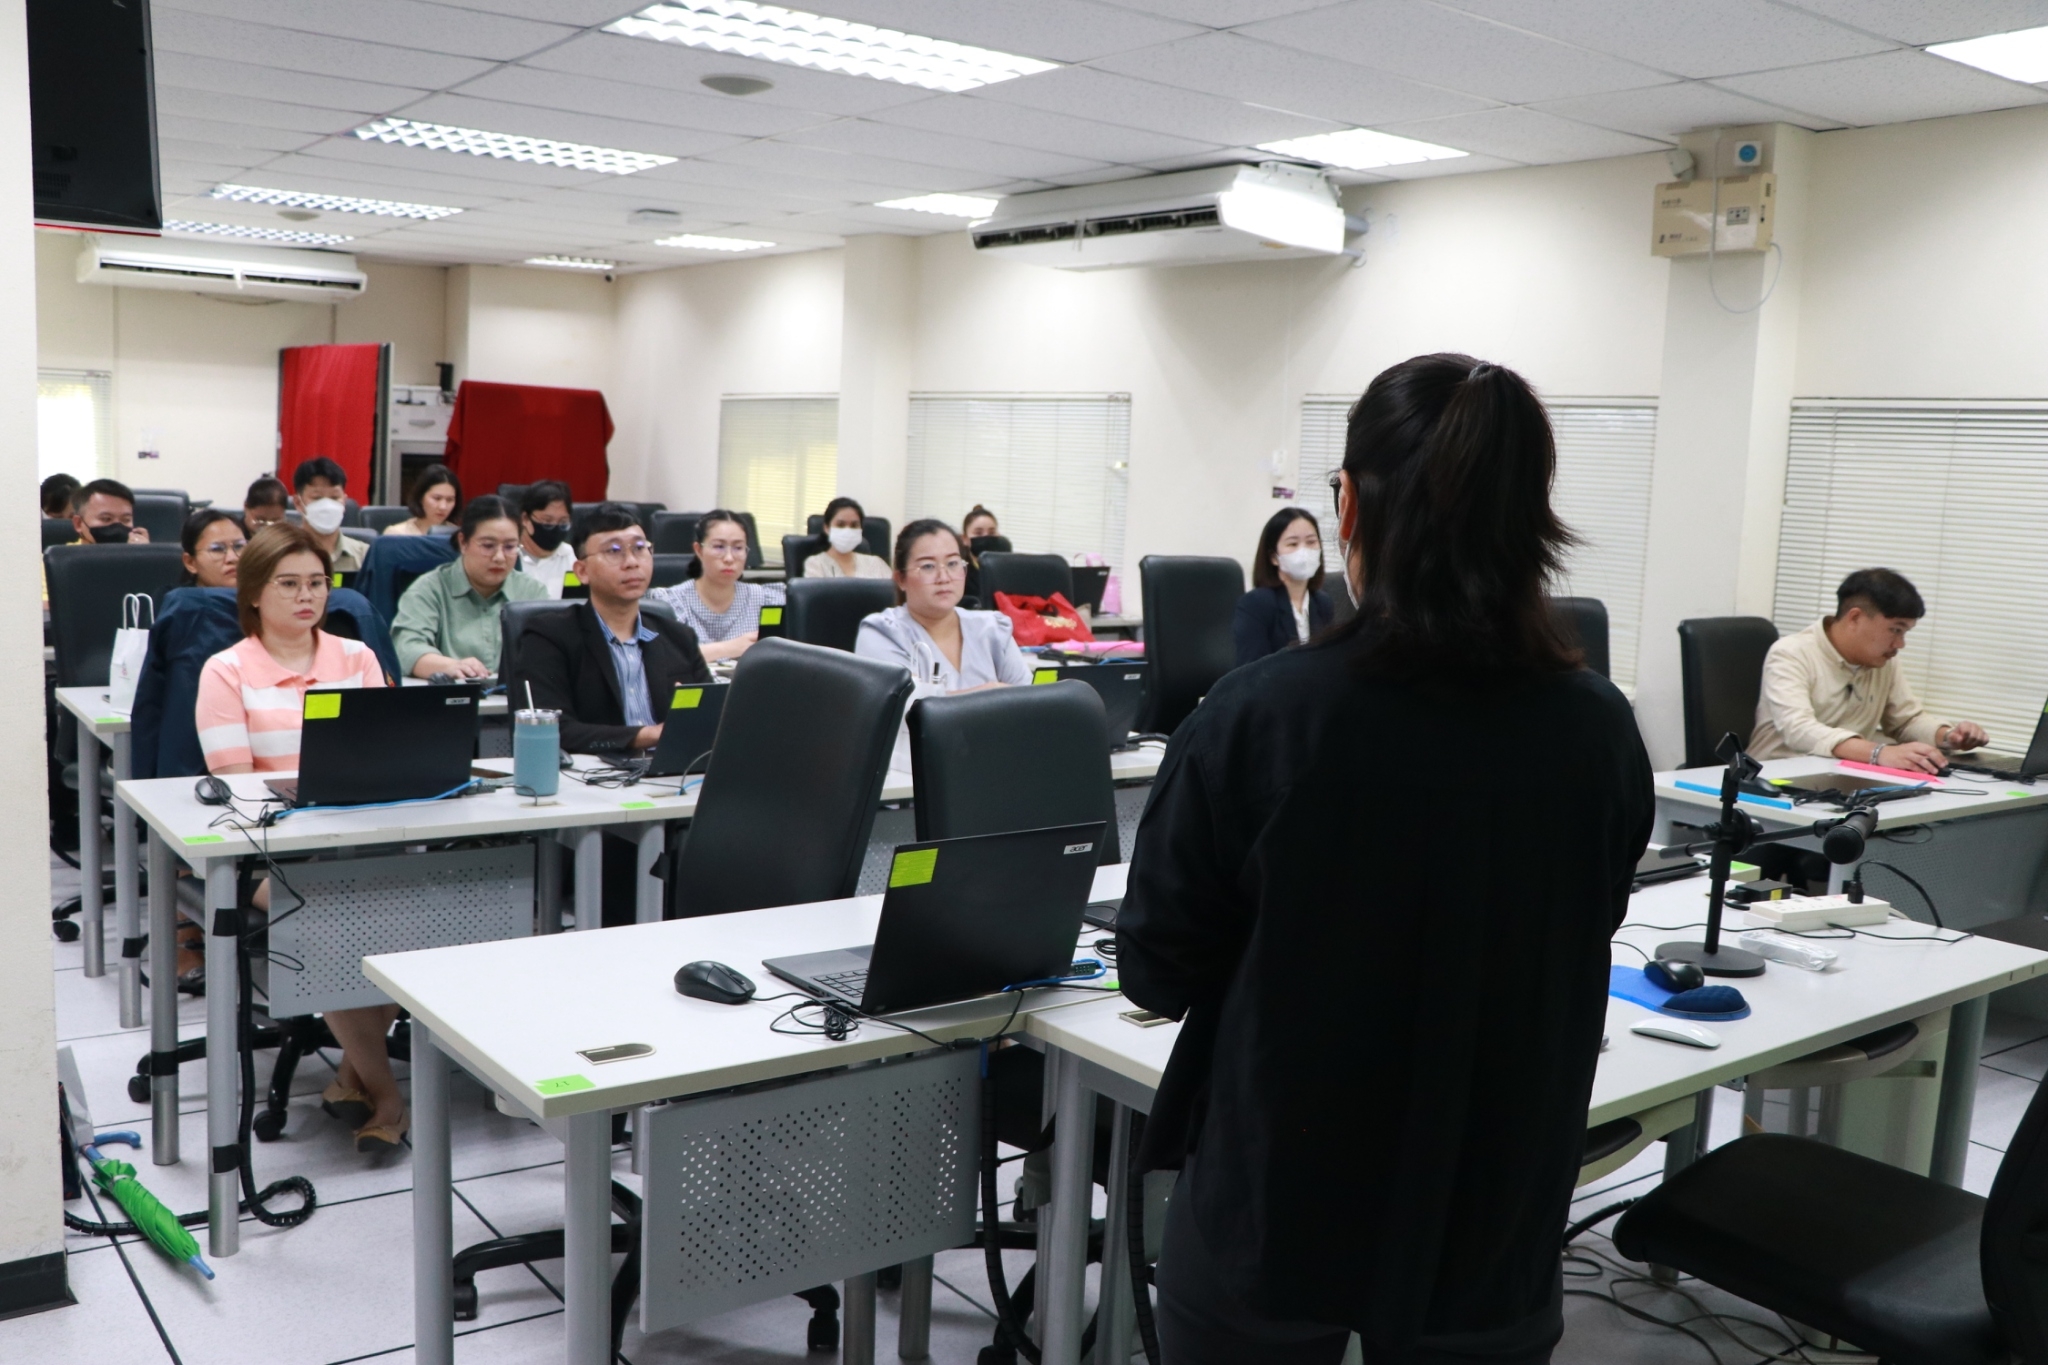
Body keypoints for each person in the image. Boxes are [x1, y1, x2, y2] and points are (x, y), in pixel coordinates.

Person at [1116, 355, 1653, 1365]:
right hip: (1494, 1197)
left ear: (1350, 508)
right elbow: (1589, 914)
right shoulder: (1599, 727)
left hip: (1279, 1197)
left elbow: (1157, 967)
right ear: (1531, 519)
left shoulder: (1259, 716)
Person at [192, 524, 405, 1153]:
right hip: (267, 855)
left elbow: (388, 755)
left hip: (357, 839)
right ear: (255, 593)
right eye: (288, 584)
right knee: (332, 921)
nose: (306, 595)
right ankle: (388, 1097)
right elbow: (238, 786)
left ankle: (350, 1074)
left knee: (414, 912)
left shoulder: (357, 659)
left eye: (317, 582)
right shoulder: (226, 670)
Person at [1747, 567, 1987, 773]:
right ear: (1855, 618)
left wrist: (1948, 736)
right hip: (1776, 778)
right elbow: (1798, 729)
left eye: (1905, 633)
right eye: (1895, 630)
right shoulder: (1791, 653)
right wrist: (1878, 753)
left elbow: (1905, 721)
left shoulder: (1882, 661)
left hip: (1840, 776)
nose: (1900, 644)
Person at [516, 504, 711, 756]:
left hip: (674, 770)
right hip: (593, 772)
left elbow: (711, 715)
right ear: (582, 571)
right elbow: (554, 727)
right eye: (614, 551)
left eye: (639, 548)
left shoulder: (678, 636)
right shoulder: (549, 636)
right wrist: (646, 735)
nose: (631, 562)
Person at [855, 519, 1032, 691]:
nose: (944, 578)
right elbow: (907, 706)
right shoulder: (881, 633)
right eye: (928, 566)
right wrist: (991, 692)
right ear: (901, 579)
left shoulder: (993, 628)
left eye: (953, 563)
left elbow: (1028, 700)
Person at [390, 494, 547, 679]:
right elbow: (406, 648)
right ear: (463, 542)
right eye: (488, 546)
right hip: (452, 695)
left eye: (510, 547)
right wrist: (450, 666)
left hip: (517, 696)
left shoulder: (533, 593)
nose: (499, 557)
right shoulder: (429, 590)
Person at [650, 508, 784, 662]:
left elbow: (777, 652)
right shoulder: (671, 603)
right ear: (699, 550)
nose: (729, 558)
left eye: (738, 548)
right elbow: (666, 658)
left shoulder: (766, 601)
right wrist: (728, 648)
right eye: (719, 547)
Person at [1233, 507, 1337, 666]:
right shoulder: (1256, 603)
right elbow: (1251, 669)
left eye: (1311, 542)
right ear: (1273, 557)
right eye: (1293, 544)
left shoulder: (1323, 603)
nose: (1304, 551)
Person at [289, 456, 366, 577]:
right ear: (298, 503)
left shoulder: (364, 556)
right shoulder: (281, 554)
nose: (327, 505)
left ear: (344, 501)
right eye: (317, 498)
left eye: (334, 498)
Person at [515, 479, 577, 597]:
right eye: (547, 522)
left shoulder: (569, 555)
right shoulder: (509, 556)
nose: (556, 528)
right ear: (525, 519)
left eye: (563, 522)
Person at [804, 496, 891, 579]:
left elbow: (894, 588)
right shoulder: (816, 564)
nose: (847, 530)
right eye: (840, 525)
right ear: (827, 528)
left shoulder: (875, 564)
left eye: (854, 525)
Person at [384, 464, 461, 536]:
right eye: (437, 498)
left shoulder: (459, 536)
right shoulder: (397, 534)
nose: (443, 507)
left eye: (449, 500)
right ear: (420, 497)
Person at [177, 508, 246, 588]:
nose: (233, 558)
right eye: (217, 549)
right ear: (191, 563)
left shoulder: (257, 592)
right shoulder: (179, 596)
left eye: (238, 546)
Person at [70, 478, 147, 544]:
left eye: (126, 520)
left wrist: (143, 553)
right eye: (106, 519)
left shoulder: (137, 553)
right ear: (78, 524)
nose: (117, 527)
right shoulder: (65, 556)